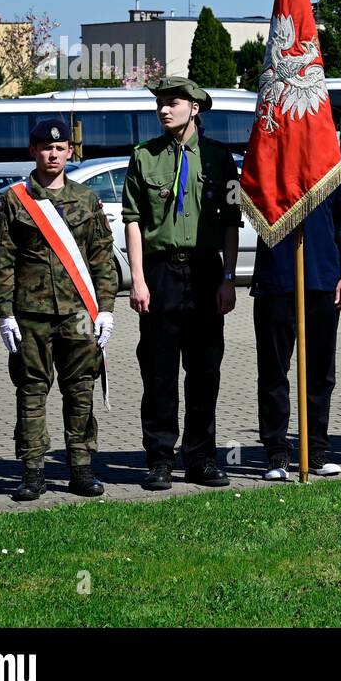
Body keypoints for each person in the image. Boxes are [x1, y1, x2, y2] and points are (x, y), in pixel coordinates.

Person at [0, 120, 118, 500]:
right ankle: (32, 471)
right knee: (31, 390)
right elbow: (3, 260)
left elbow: (102, 259)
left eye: (60, 148)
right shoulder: (14, 200)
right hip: (30, 314)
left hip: (78, 312)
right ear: (33, 151)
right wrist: (5, 313)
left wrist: (106, 309)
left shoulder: (86, 199)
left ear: (70, 153)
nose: (53, 153)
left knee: (80, 389)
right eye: (45, 147)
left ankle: (80, 467)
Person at [122, 77, 240, 491]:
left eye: (173, 103)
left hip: (207, 271)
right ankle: (158, 458)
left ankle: (201, 457)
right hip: (160, 273)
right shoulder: (144, 157)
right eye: (160, 104)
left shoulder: (219, 158)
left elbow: (230, 222)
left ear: (195, 108)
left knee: (205, 370)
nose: (164, 110)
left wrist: (228, 278)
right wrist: (137, 280)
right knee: (158, 371)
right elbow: (133, 221)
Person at [250, 165, 341, 482]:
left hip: (323, 278)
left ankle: (316, 450)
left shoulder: (330, 155)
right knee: (273, 373)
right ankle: (277, 453)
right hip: (276, 280)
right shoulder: (269, 151)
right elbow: (250, 203)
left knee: (321, 373)